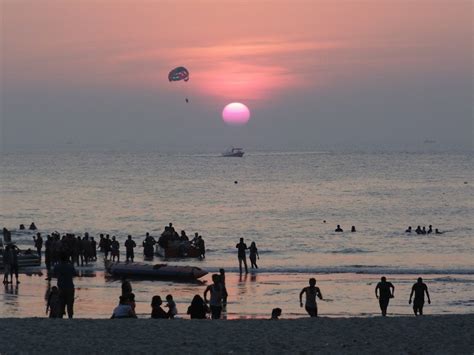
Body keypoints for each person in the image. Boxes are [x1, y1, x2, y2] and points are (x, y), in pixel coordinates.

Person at [54, 253, 76, 318]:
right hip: (70, 287)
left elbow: (54, 274)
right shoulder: (70, 266)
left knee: (61, 304)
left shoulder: (57, 266)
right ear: (67, 259)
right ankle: (70, 317)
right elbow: (74, 274)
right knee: (70, 305)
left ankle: (60, 318)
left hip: (61, 287)